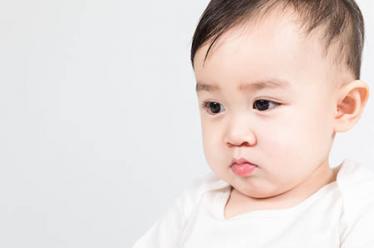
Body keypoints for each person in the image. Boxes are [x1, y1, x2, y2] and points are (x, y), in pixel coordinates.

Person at [132, 0, 374, 247]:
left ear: (343, 107)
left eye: (263, 104)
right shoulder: (196, 205)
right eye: (214, 107)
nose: (235, 135)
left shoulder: (356, 210)